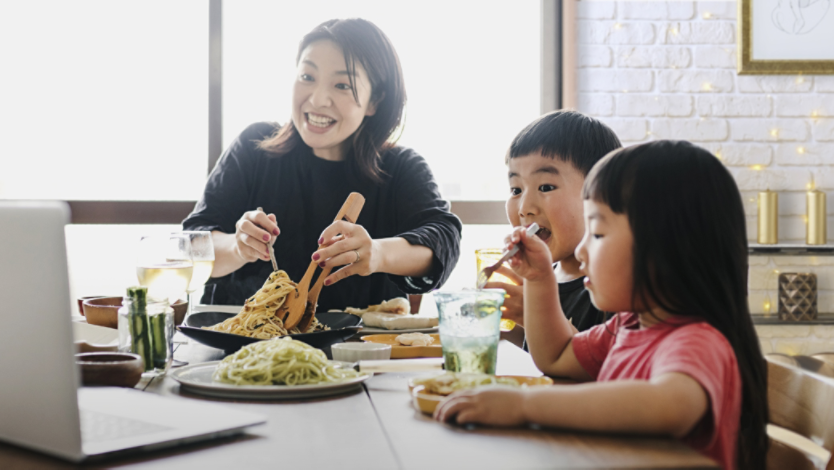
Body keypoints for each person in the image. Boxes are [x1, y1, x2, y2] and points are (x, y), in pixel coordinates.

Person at [435, 141, 768, 470]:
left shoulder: (696, 340)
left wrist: (525, 405)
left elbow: (669, 407)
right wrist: (539, 279)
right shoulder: (627, 326)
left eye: (596, 233)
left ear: (665, 246)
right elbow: (556, 354)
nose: (581, 252)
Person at [183, 18, 462, 312]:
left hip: (360, 350)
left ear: (374, 102)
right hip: (241, 348)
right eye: (307, 77)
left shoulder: (401, 168)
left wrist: (377, 253)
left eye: (342, 85)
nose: (317, 99)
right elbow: (193, 246)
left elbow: (444, 240)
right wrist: (238, 247)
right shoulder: (254, 147)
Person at [484, 110, 621, 342]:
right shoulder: (544, 275)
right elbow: (534, 351)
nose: (524, 207)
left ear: (599, 194)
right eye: (516, 190)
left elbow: (606, 367)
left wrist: (536, 314)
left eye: (546, 187)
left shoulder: (612, 289)